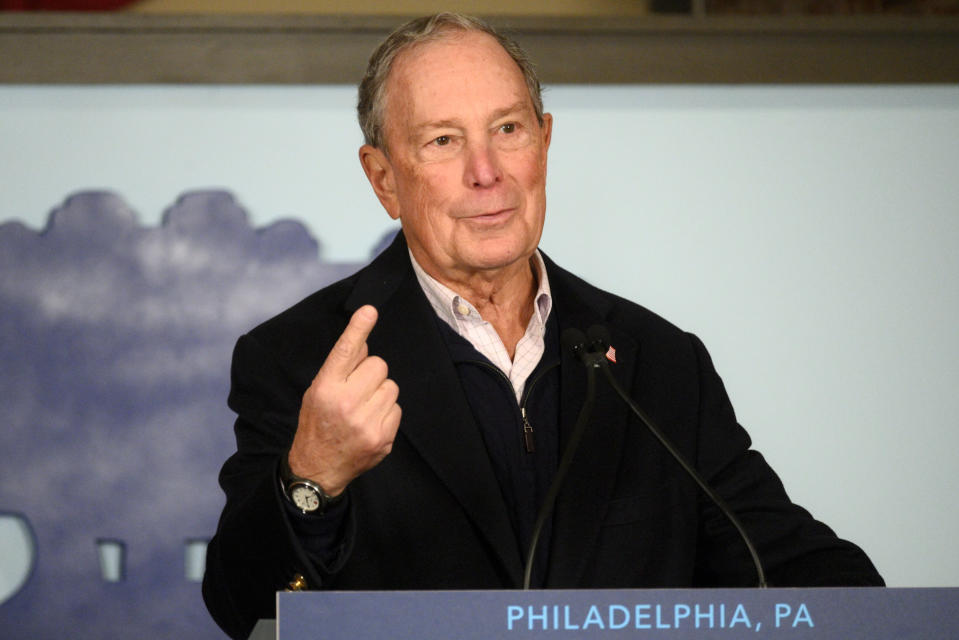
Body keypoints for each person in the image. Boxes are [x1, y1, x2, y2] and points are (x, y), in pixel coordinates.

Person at [202, 13, 883, 640]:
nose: (486, 173)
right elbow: (245, 609)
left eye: (508, 130)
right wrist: (310, 479)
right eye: (443, 141)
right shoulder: (299, 360)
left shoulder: (659, 361)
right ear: (383, 178)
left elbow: (791, 568)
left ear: (545, 141)